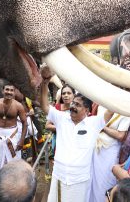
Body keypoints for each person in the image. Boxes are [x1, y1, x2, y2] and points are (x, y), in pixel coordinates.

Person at [40, 69, 112, 202]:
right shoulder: (61, 118)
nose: (72, 106)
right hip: (59, 174)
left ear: (87, 110)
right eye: (73, 103)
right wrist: (44, 83)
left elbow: (111, 110)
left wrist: (112, 85)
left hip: (79, 178)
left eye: (77, 105)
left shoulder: (94, 123)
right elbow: (44, 106)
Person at [89, 107, 130, 202]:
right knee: (93, 178)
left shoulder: (125, 111)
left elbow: (120, 135)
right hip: (96, 148)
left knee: (106, 179)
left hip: (110, 150)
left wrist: (103, 128)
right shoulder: (102, 106)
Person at [45, 84, 75, 154]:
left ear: (74, 95)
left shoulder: (78, 108)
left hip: (74, 143)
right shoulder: (57, 108)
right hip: (60, 142)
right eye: (63, 93)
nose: (66, 95)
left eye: (69, 93)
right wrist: (62, 127)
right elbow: (47, 125)